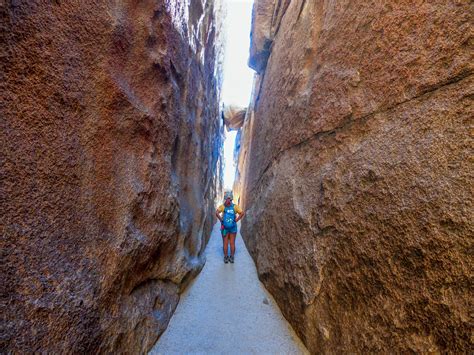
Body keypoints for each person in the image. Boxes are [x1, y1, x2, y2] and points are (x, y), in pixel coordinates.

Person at [215, 191, 245, 264]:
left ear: (225, 199)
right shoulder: (235, 206)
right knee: (232, 243)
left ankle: (226, 257)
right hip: (233, 227)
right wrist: (236, 220)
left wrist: (221, 220)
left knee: (225, 243)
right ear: (231, 199)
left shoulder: (223, 206)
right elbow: (242, 213)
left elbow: (216, 212)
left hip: (225, 227)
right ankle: (231, 257)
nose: (228, 201)